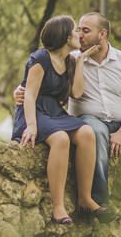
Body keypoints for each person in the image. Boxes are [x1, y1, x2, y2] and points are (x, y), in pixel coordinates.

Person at [15, 12, 121, 235]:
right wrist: (17, 92)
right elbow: (34, 82)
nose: (80, 35)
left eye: (86, 30)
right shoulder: (72, 57)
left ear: (102, 34)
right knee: (95, 133)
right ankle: (99, 202)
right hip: (89, 119)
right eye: (78, 30)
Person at [12, 15, 104, 225]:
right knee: (61, 139)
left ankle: (85, 198)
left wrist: (80, 61)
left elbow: (77, 93)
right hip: (33, 112)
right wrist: (32, 126)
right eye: (75, 31)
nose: (79, 35)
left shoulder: (70, 60)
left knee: (87, 133)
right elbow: (29, 95)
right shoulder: (40, 58)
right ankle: (58, 208)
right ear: (64, 36)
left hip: (55, 112)